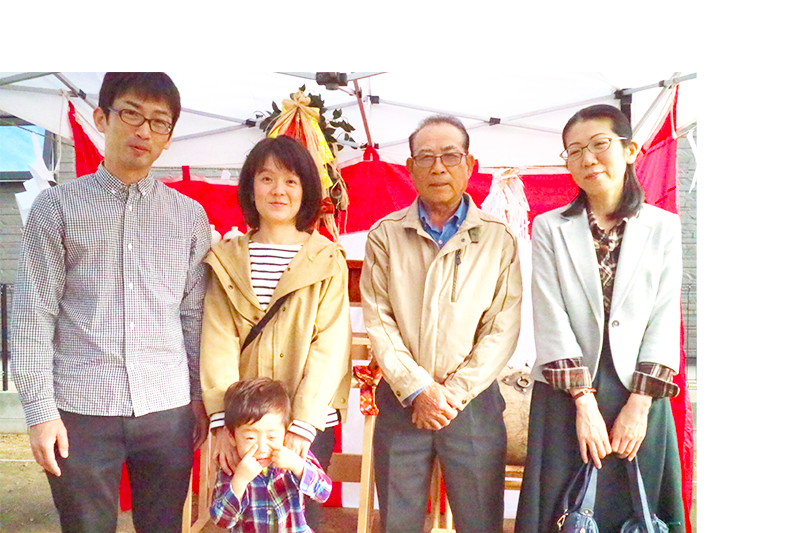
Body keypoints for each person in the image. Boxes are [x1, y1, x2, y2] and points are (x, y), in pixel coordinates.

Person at [9, 72, 211, 533]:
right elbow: (33, 316)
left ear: (168, 137)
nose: (144, 131)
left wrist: (199, 398)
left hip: (167, 407)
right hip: (80, 408)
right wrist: (40, 412)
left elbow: (194, 315)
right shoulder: (57, 208)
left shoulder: (189, 216)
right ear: (101, 118)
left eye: (159, 122)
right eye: (131, 114)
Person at [514, 104, 685, 533]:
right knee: (561, 509)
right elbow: (550, 314)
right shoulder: (550, 227)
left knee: (638, 511)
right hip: (565, 393)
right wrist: (583, 403)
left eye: (599, 145)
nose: (587, 158)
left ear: (630, 150)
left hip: (640, 390)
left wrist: (640, 405)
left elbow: (665, 315)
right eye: (574, 151)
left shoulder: (663, 227)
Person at [360, 115, 523, 533]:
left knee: (480, 522)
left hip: (472, 404)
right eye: (426, 157)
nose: (438, 167)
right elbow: (379, 319)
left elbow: (502, 328)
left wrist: (451, 394)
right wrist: (418, 389)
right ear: (410, 168)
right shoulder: (385, 235)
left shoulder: (497, 238)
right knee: (397, 524)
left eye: (450, 156)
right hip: (402, 401)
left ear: (469, 164)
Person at [200, 135, 351, 529]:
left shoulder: (327, 258)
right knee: (243, 514)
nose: (278, 190)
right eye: (266, 179)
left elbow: (330, 344)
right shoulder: (227, 258)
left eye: (290, 181)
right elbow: (217, 340)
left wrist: (302, 423)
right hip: (245, 422)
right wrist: (223, 421)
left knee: (300, 515)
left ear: (306, 190)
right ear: (251, 187)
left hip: (305, 418)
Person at [209, 377, 332, 532]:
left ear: (287, 431)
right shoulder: (232, 467)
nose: (262, 447)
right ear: (231, 436)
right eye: (250, 438)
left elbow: (324, 492)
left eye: (272, 437)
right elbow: (221, 520)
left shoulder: (294, 456)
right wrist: (239, 481)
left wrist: (297, 465)